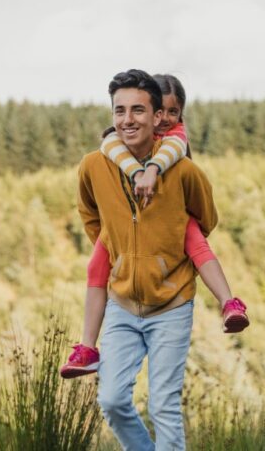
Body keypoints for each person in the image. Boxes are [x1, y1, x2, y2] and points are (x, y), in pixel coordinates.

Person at [61, 74, 248, 379]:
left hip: (172, 222)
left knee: (197, 243)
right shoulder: (108, 148)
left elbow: (205, 214)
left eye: (173, 113)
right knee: (96, 266)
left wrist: (153, 177)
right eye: (162, 111)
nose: (165, 120)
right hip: (124, 238)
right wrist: (117, 240)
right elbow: (107, 155)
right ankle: (87, 346)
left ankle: (230, 302)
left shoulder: (175, 141)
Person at [77, 69, 221, 449]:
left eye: (137, 110)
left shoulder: (183, 169)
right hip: (122, 304)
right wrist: (122, 250)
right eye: (119, 110)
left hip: (172, 304)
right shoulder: (94, 165)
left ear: (157, 116)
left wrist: (165, 246)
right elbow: (91, 215)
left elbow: (207, 218)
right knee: (111, 399)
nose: (127, 119)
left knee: (163, 406)